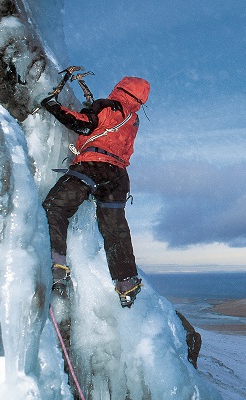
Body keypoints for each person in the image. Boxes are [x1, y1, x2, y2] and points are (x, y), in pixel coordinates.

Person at [41, 76, 150, 308]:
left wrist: (52, 105)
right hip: (118, 178)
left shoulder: (109, 105)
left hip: (93, 167)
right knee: (114, 229)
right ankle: (126, 284)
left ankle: (57, 265)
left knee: (56, 206)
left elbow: (84, 124)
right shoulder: (133, 119)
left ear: (119, 88)